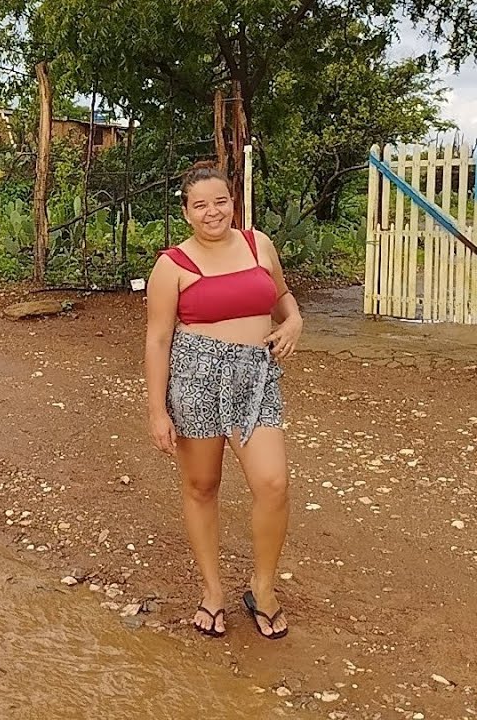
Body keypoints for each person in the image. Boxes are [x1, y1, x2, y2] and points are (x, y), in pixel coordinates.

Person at [144, 160, 303, 640]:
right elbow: (157, 341)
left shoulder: (259, 245)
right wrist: (157, 409)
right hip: (195, 376)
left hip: (256, 375)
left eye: (220, 201)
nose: (212, 212)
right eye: (200, 205)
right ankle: (212, 591)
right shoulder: (172, 265)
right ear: (186, 211)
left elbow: (282, 297)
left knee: (273, 483)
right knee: (202, 486)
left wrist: (294, 321)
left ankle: (264, 588)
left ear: (232, 202)